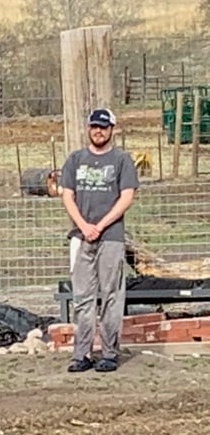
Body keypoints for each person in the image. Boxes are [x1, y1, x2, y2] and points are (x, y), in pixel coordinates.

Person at [60, 108, 139, 373]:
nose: (98, 131)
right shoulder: (75, 160)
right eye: (95, 126)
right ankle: (81, 354)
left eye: (103, 127)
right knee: (82, 296)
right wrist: (83, 226)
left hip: (111, 237)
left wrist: (101, 225)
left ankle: (109, 353)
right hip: (82, 236)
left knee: (111, 295)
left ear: (112, 129)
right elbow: (67, 195)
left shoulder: (121, 160)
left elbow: (126, 197)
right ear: (88, 129)